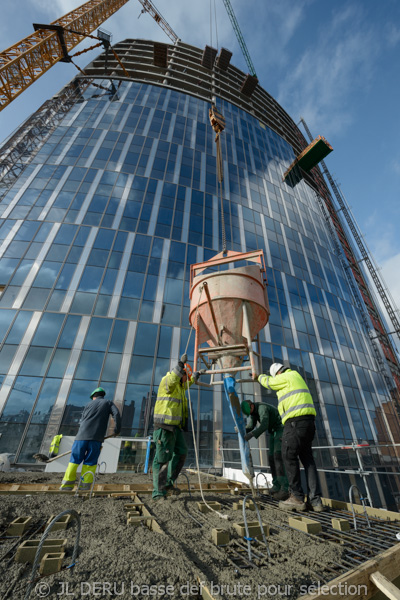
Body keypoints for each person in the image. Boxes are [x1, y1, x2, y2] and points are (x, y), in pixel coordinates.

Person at [256, 363, 325, 512]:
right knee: (308, 461)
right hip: (309, 423)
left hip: (295, 423)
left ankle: (297, 497)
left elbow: (269, 383)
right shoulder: (296, 377)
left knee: (288, 457)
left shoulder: (285, 377)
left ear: (278, 373)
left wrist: (258, 377)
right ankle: (316, 501)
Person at [152, 353, 204, 501]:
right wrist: (180, 365)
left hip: (175, 428)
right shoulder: (167, 380)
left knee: (182, 451)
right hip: (164, 427)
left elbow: (187, 384)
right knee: (162, 460)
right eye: (185, 377)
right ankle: (158, 492)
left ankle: (168, 483)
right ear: (181, 374)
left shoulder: (180, 386)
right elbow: (174, 378)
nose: (186, 380)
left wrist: (196, 375)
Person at [60, 387, 121, 491]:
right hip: (96, 439)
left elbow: (82, 419)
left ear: (94, 396)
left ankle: (66, 486)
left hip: (80, 438)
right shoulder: (108, 403)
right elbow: (116, 414)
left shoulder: (88, 404)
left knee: (74, 461)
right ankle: (84, 488)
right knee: (90, 463)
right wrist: (117, 429)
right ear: (102, 395)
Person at [241, 400, 289, 501]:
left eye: (250, 412)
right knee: (271, 457)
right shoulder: (253, 412)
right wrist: (242, 430)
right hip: (273, 432)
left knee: (277, 456)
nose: (250, 414)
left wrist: (251, 435)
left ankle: (285, 488)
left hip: (280, 429)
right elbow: (251, 426)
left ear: (252, 406)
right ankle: (276, 485)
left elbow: (264, 425)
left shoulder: (262, 408)